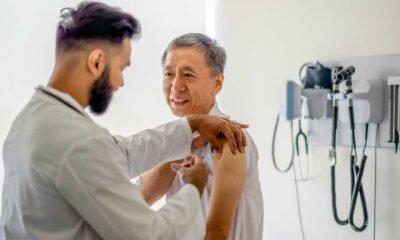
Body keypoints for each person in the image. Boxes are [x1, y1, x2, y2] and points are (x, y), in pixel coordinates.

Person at [0, 3, 248, 240]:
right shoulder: (77, 141)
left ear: (217, 83)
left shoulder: (28, 123)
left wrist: (191, 125)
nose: (120, 82)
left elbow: (121, 152)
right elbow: (151, 234)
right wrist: (194, 186)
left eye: (188, 74)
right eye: (121, 68)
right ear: (96, 62)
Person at [140, 33, 264, 240]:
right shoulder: (175, 142)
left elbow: (217, 233)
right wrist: (185, 143)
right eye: (169, 74)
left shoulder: (231, 139)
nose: (175, 86)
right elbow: (132, 203)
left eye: (188, 75)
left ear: (217, 83)